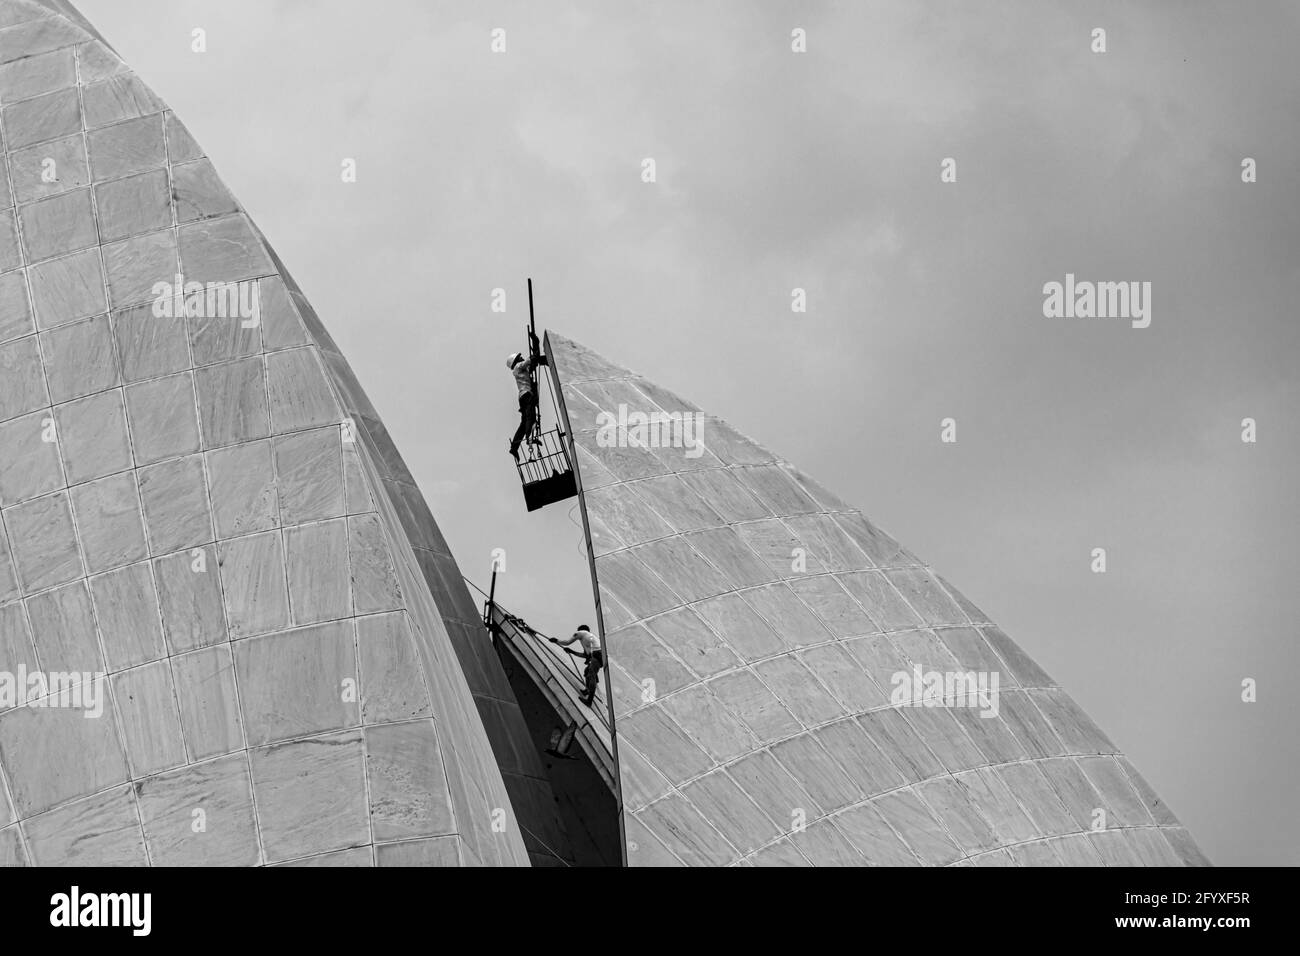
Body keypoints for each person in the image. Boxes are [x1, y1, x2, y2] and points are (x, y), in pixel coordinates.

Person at [506, 335, 547, 460]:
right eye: (520, 357)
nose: (523, 357)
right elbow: (533, 359)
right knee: (531, 417)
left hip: (523, 397)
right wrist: (536, 342)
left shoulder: (521, 370)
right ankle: (530, 437)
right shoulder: (519, 367)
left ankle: (514, 447)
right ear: (517, 361)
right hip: (526, 395)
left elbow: (534, 363)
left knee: (524, 423)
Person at [551, 625, 603, 706]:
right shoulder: (590, 640)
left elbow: (567, 642)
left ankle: (589, 701)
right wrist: (571, 651)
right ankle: (587, 690)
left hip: (597, 653)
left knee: (591, 674)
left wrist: (556, 641)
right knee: (587, 671)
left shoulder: (581, 633)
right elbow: (585, 655)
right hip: (600, 655)